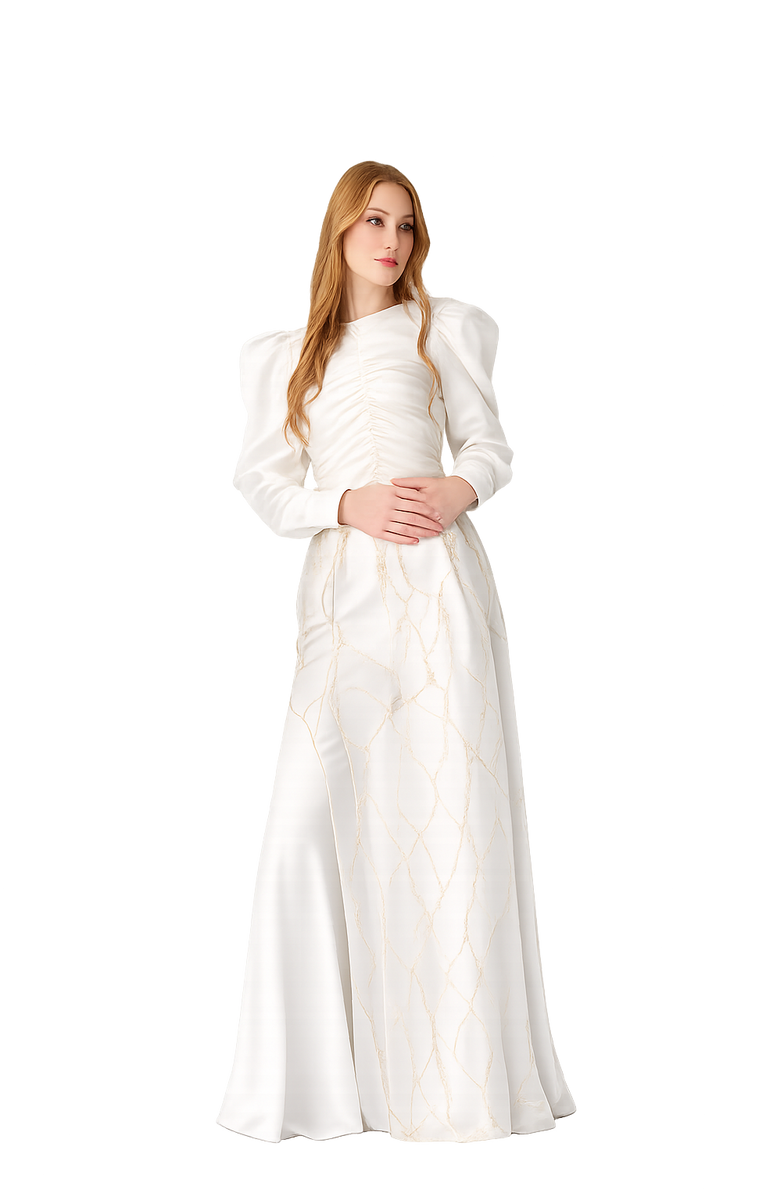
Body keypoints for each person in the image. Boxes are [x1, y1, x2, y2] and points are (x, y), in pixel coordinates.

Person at [213, 158, 579, 1147]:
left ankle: (449, 1088)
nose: (391, 240)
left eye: (406, 225)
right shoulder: (282, 356)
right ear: (337, 229)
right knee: (308, 819)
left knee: (445, 816)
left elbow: (490, 447)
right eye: (373, 221)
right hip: (343, 599)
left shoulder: (443, 327)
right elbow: (262, 485)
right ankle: (315, 1089)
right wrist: (345, 504)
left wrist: (459, 489)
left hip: (441, 591)